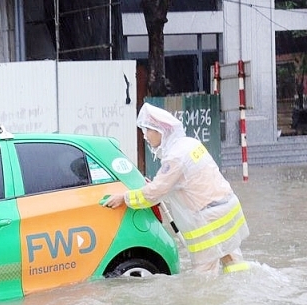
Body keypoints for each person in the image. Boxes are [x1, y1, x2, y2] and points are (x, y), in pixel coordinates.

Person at [102, 102, 250, 274]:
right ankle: (241, 295)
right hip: (227, 210)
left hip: (209, 220)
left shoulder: (175, 157)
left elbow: (155, 193)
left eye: (148, 130)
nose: (145, 136)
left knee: (204, 279)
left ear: (160, 131)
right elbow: (185, 181)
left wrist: (124, 198)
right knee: (232, 261)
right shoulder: (189, 144)